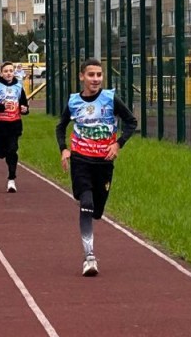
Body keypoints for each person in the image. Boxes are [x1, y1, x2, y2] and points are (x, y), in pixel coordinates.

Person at [55, 58, 137, 277]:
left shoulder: (110, 99)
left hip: (104, 162)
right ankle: (89, 257)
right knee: (87, 203)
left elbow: (131, 122)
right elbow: (61, 126)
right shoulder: (73, 102)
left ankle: (93, 213)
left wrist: (118, 144)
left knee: (97, 210)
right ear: (82, 77)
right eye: (91, 75)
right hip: (81, 160)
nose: (95, 79)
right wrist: (64, 149)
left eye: (99, 75)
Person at [0, 61, 29, 192]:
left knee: (12, 150)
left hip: (14, 124)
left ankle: (11, 179)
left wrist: (25, 109)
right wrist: (0, 107)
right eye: (6, 71)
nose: (9, 73)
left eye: (11, 71)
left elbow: (24, 105)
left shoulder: (19, 87)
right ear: (1, 73)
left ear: (14, 72)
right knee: (0, 153)